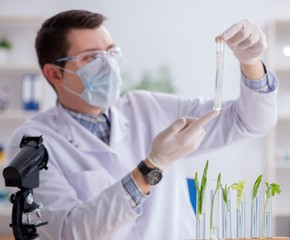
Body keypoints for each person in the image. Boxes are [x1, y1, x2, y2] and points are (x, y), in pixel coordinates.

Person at [7, 9, 277, 240]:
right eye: (92, 57)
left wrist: (251, 62)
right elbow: (69, 232)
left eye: (111, 53)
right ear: (55, 74)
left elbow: (250, 121)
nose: (109, 65)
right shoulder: (33, 141)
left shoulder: (148, 108)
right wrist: (153, 166)